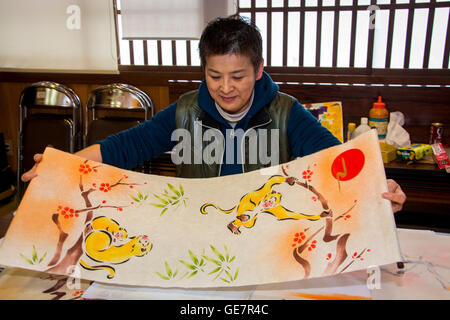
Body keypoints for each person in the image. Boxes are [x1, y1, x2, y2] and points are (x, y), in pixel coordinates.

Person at [21, 15, 406, 212]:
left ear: (258, 69)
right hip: (197, 223)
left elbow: (338, 162)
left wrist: (379, 187)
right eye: (214, 75)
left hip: (265, 227)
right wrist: (62, 165)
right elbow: (122, 147)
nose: (225, 88)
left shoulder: (288, 113)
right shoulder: (186, 110)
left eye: (238, 76)